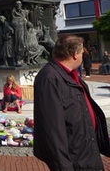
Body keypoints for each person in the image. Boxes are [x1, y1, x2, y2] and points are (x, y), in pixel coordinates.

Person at [34, 35, 110, 170]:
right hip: (75, 159)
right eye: (82, 53)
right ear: (75, 54)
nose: (82, 56)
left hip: (87, 152)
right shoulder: (49, 78)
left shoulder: (73, 76)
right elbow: (52, 129)